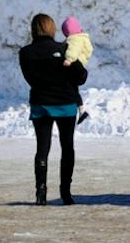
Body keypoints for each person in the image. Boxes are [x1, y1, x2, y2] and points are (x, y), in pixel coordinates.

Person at [18, 13, 88, 206]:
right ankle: (66, 192)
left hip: (41, 104)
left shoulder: (25, 53)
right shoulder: (64, 49)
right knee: (67, 148)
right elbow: (81, 77)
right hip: (66, 104)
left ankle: (41, 192)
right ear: (52, 28)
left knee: (42, 148)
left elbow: (29, 77)